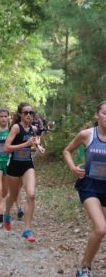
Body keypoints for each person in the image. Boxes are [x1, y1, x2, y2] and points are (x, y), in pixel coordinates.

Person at [63, 101, 106, 277]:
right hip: (89, 186)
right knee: (101, 228)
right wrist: (73, 168)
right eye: (105, 113)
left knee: (100, 230)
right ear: (97, 115)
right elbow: (67, 151)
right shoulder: (87, 135)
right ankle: (85, 267)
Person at [4, 102, 45, 242]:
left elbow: (35, 142)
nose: (28, 115)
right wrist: (25, 145)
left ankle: (27, 229)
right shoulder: (16, 127)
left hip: (27, 164)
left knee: (31, 195)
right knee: (13, 195)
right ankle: (7, 213)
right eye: (25, 112)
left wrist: (39, 147)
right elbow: (6, 147)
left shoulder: (33, 129)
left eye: (31, 113)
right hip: (14, 166)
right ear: (20, 114)